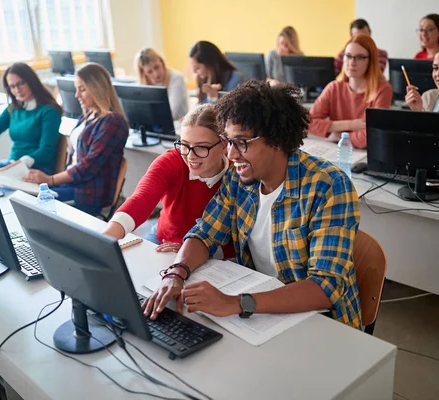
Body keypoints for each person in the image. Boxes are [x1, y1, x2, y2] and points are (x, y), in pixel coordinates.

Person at [141, 80, 362, 329]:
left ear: (276, 140)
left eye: (242, 143)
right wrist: (176, 273)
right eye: (229, 142)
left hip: (321, 323)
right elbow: (205, 234)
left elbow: (326, 287)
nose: (232, 155)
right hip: (260, 312)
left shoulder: (328, 186)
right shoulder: (239, 178)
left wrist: (237, 303)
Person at [103, 104, 233, 258]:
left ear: (224, 145)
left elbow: (235, 238)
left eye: (201, 147)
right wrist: (105, 240)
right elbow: (141, 199)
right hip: (164, 239)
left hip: (211, 251)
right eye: (184, 144)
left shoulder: (236, 174)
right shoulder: (172, 161)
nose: (190, 156)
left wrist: (192, 251)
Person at [23, 63, 129, 215]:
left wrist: (51, 179)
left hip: (89, 194)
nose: (76, 95)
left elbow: (88, 166)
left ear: (97, 88)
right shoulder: (89, 115)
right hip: (73, 186)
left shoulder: (113, 121)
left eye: (82, 89)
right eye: (76, 89)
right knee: (27, 197)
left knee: (36, 207)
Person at [308, 34, 393, 149]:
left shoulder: (383, 89)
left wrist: (340, 137)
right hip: (337, 152)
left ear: (370, 61)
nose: (352, 62)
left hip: (366, 156)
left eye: (359, 57)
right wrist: (351, 124)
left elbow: (373, 134)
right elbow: (308, 123)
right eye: (348, 56)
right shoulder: (334, 87)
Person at [134, 48, 189, 120]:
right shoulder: (143, 84)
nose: (156, 74)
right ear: (144, 73)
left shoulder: (176, 78)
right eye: (149, 72)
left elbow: (171, 113)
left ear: (162, 62)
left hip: (179, 126)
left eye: (156, 67)